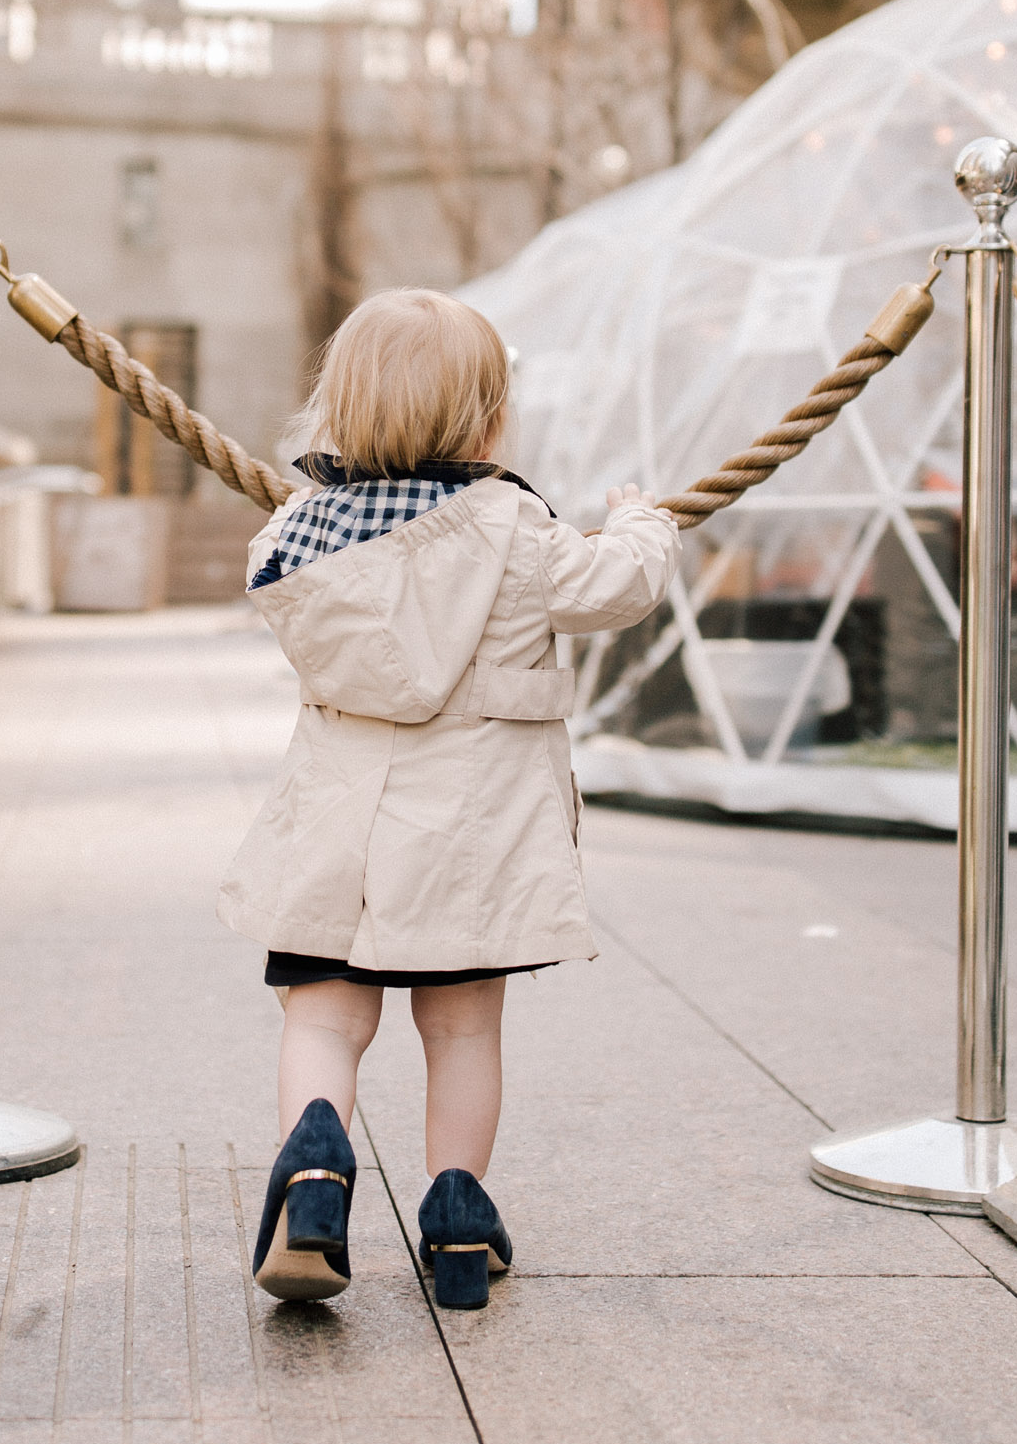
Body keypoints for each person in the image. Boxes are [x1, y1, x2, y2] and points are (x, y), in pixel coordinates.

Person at [219, 287, 679, 1311]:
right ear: (487, 418)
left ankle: (313, 1169)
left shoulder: (297, 532)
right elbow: (617, 586)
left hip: (340, 840)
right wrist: (641, 521)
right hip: (467, 846)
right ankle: (458, 1218)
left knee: (324, 1023)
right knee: (463, 1031)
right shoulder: (515, 530)